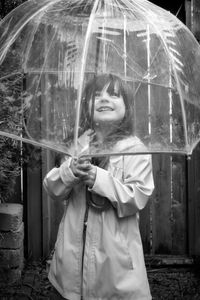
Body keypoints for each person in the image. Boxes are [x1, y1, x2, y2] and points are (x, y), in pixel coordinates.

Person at [43, 73, 154, 300]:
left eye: (113, 95)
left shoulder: (134, 149)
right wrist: (70, 172)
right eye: (96, 94)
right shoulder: (78, 143)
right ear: (87, 105)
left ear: (127, 108)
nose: (104, 99)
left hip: (115, 262)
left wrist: (98, 178)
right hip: (72, 255)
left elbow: (137, 196)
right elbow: (53, 189)